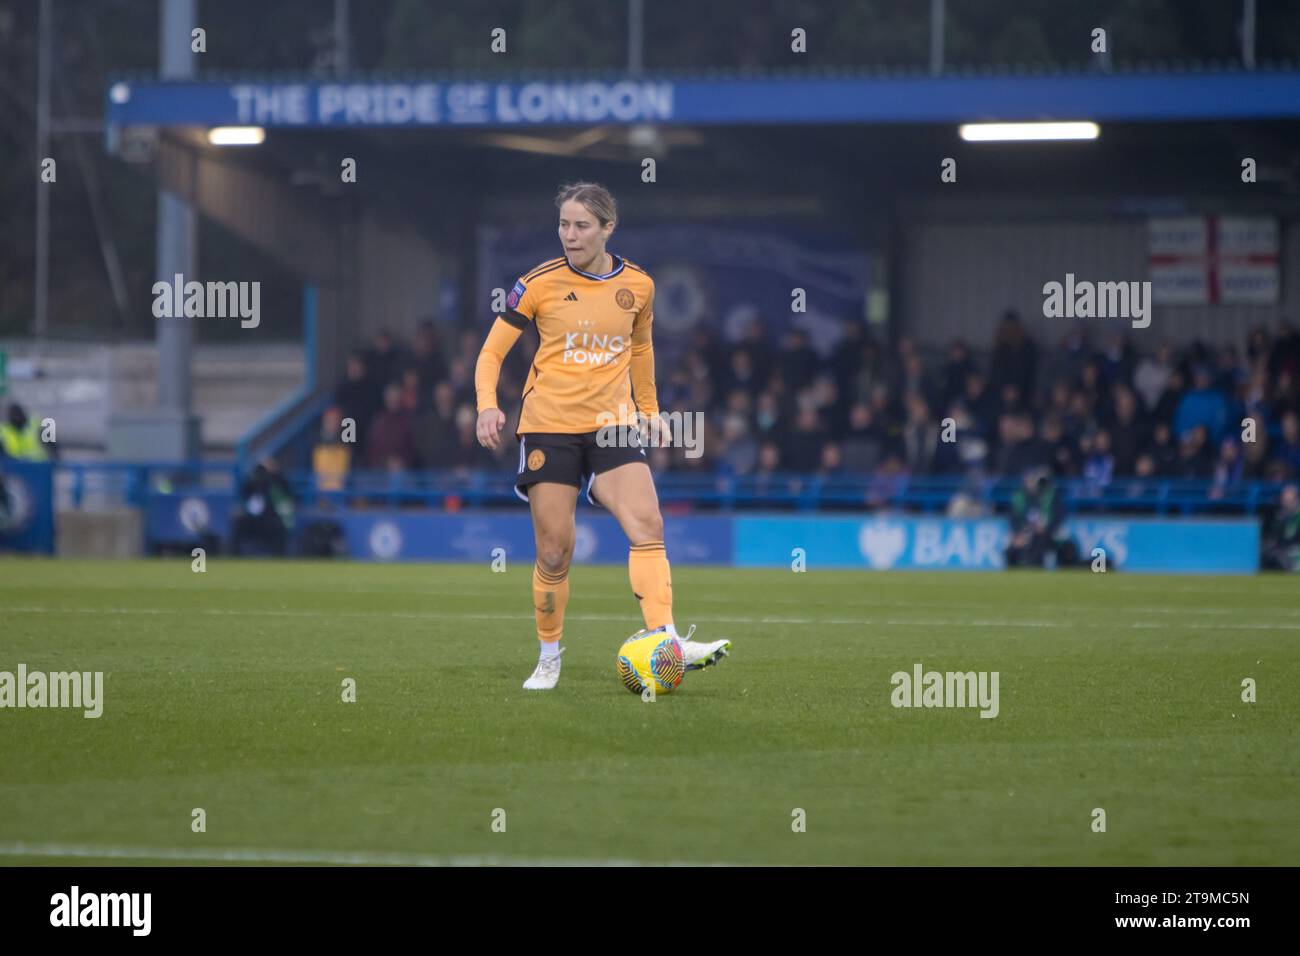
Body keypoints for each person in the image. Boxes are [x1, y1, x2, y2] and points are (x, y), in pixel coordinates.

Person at [473, 181, 730, 690]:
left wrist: (650, 409)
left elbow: (640, 350)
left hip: (612, 424)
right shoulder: (536, 284)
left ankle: (667, 640)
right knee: (554, 552)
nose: (570, 235)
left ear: (608, 228)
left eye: (582, 225)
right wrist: (486, 407)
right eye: (564, 225)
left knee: (648, 523)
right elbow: (490, 354)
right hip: (549, 426)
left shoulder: (639, 285)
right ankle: (549, 658)